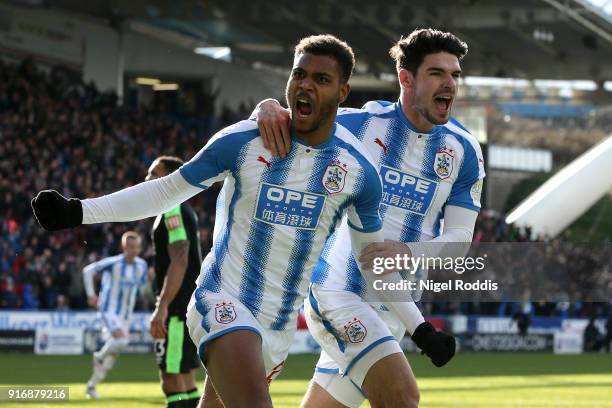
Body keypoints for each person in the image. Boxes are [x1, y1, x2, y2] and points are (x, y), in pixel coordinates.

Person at [31, 35, 401, 408]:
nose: (305, 84)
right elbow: (164, 191)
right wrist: (78, 211)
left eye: (321, 79)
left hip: (276, 329)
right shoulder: (245, 140)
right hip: (221, 300)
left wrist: (416, 325)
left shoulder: (358, 170)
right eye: (298, 74)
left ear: (343, 91)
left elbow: (372, 259)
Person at [255, 28, 485, 408]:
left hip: (396, 308)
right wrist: (264, 107)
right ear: (405, 78)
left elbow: (459, 240)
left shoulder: (463, 150)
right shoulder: (359, 126)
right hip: (337, 291)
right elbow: (288, 118)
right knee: (401, 394)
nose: (450, 84)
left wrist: (406, 253)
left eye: (454, 75)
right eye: (437, 73)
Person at [147, 156, 203, 408]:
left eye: (153, 173)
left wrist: (162, 306)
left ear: (169, 178)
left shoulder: (173, 209)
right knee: (186, 379)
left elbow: (180, 258)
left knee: (170, 380)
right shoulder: (179, 209)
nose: (147, 179)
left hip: (177, 309)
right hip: (185, 305)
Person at [82, 231, 149, 399]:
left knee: (114, 353)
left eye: (136, 247)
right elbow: (87, 271)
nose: (133, 250)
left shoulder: (142, 266)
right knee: (122, 340)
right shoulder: (113, 263)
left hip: (126, 315)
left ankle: (91, 386)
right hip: (108, 309)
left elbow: (142, 289)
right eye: (130, 247)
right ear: (124, 247)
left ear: (140, 248)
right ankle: (98, 356)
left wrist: (149, 283)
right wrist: (91, 294)